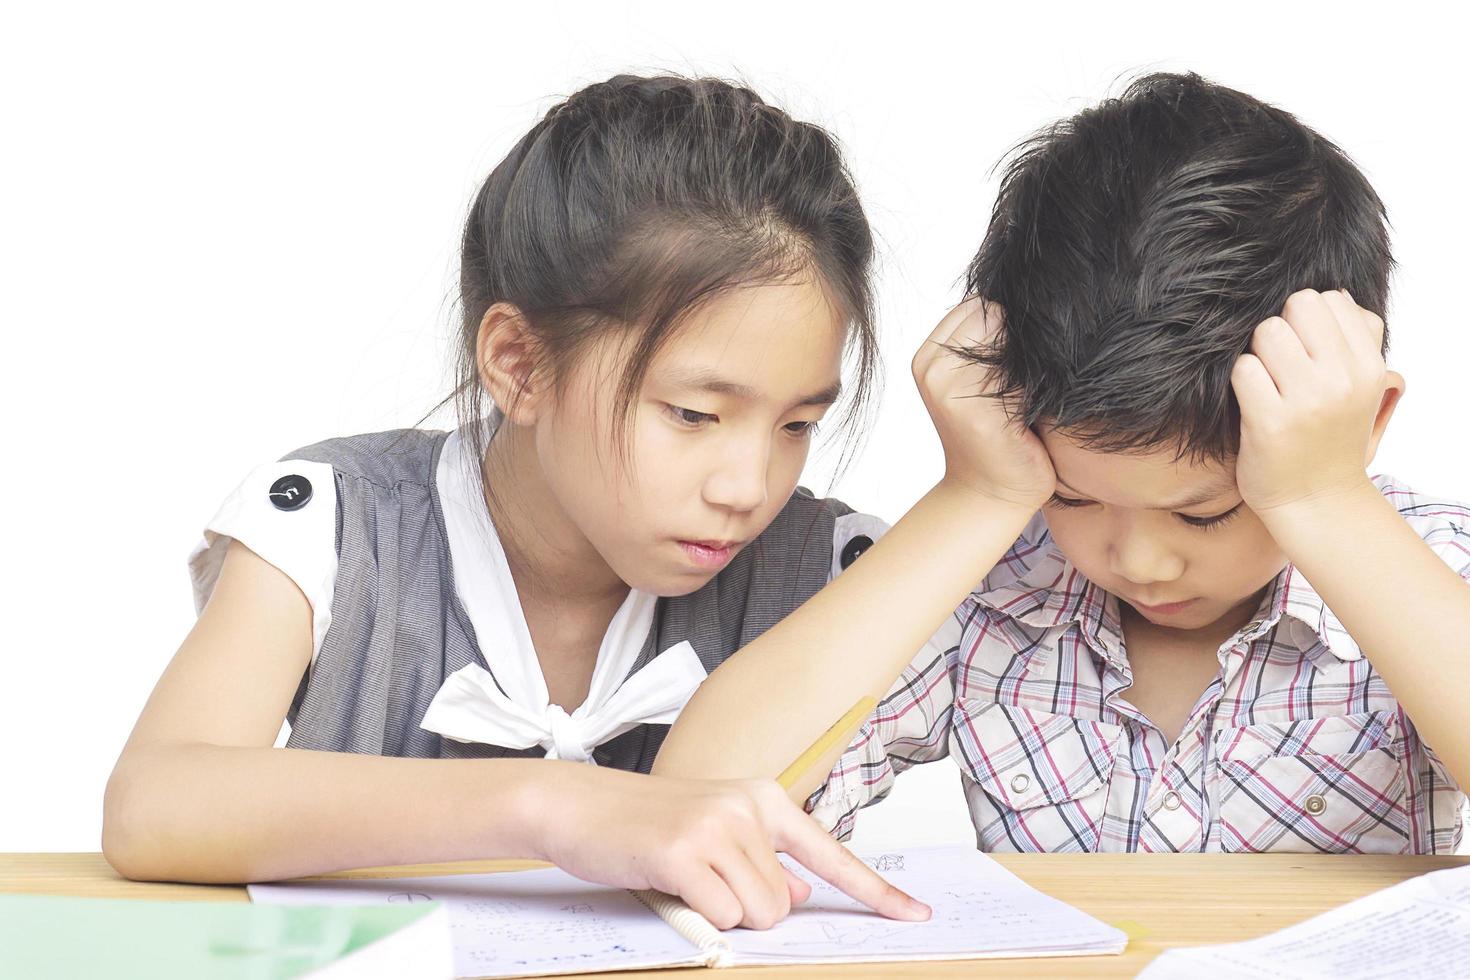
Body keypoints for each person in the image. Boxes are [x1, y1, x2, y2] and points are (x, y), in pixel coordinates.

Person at [102, 73, 933, 929]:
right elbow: (151, 802)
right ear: (519, 362)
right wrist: (552, 804)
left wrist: (986, 488)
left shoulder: (830, 571)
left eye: (797, 424)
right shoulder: (341, 525)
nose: (747, 486)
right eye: (694, 414)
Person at [654, 72, 1470, 854]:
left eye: (1206, 511)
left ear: (1361, 420)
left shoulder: (1428, 569)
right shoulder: (990, 592)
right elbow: (691, 810)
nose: (1141, 560)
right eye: (1074, 498)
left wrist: (1326, 496)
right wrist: (976, 495)